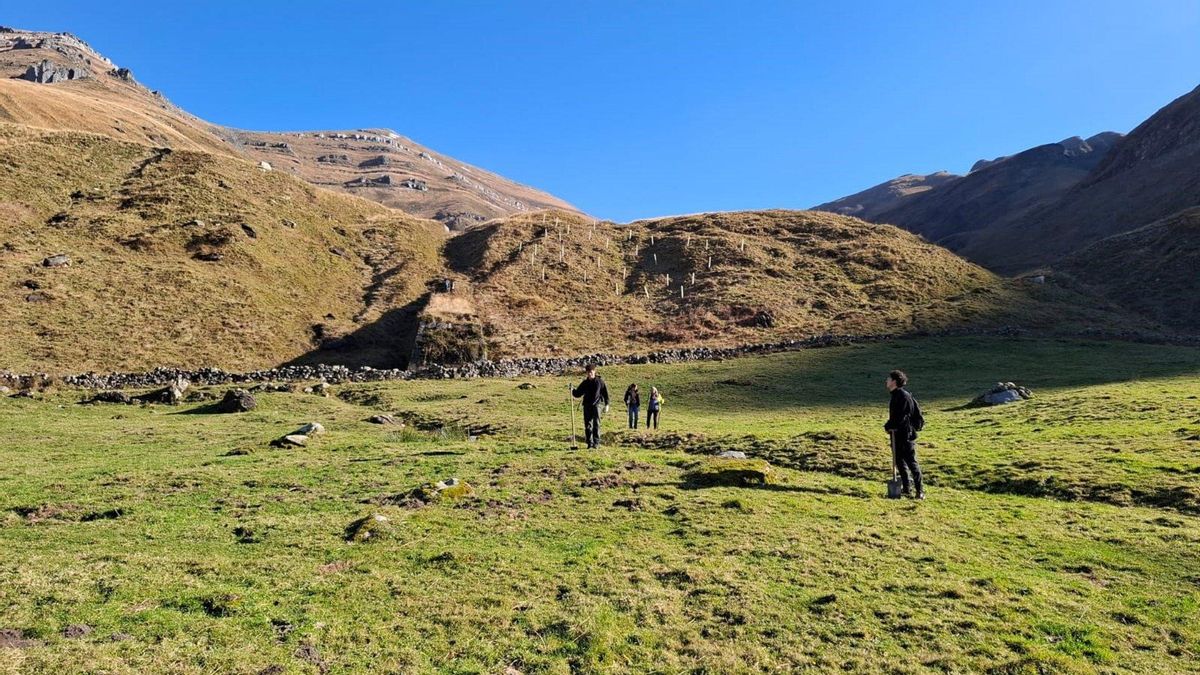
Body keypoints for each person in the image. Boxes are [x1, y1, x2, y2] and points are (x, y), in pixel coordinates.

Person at [884, 369, 924, 499]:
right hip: (896, 434)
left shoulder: (903, 396)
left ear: (894, 381)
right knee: (900, 462)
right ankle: (906, 489)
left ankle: (919, 491)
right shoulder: (895, 395)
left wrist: (890, 425)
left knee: (911, 462)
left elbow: (901, 417)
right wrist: (890, 426)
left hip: (905, 435)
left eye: (889, 379)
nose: (886, 381)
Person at [572, 364, 610, 449]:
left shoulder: (600, 381)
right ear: (586, 373)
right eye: (588, 372)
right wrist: (572, 390)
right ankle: (589, 443)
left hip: (597, 405)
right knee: (588, 425)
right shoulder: (585, 383)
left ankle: (596, 443)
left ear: (594, 372)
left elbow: (605, 393)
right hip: (587, 405)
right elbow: (578, 393)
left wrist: (607, 404)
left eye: (591, 372)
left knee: (596, 423)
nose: (590, 374)